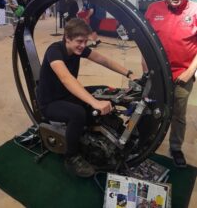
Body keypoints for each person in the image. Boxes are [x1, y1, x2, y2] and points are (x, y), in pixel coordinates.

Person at [37, 18, 136, 177]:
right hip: (50, 102)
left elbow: (103, 60)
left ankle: (113, 132)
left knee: (103, 90)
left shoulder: (79, 49)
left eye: (85, 41)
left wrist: (129, 73)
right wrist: (94, 102)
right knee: (78, 113)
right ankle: (71, 157)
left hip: (67, 95)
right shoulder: (54, 51)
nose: (83, 45)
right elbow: (66, 79)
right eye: (79, 41)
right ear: (67, 38)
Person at [143, 0, 197, 168]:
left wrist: (190, 72)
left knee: (178, 115)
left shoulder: (195, 10)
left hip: (182, 76)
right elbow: (145, 40)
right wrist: (145, 64)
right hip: (155, 74)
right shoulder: (153, 9)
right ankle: (145, 142)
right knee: (149, 109)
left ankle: (175, 147)